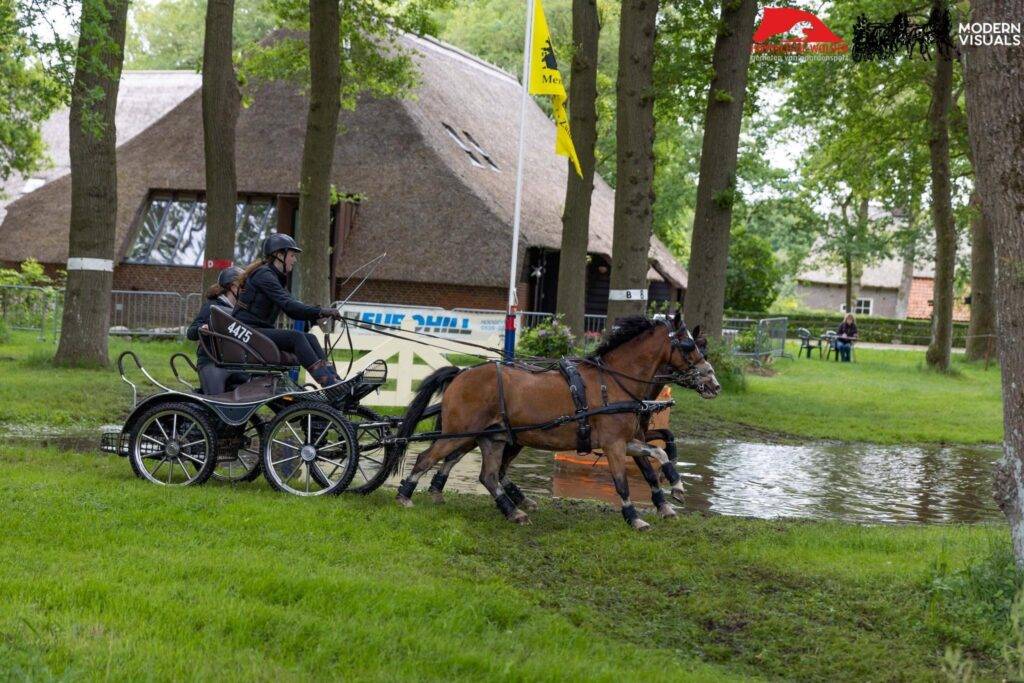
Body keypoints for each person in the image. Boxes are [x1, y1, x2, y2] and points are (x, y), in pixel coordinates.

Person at [232, 233, 343, 386]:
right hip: (246, 331)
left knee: (310, 338)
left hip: (256, 330)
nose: (295, 260)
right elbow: (289, 305)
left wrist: (317, 314)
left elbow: (291, 310)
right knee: (296, 337)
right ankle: (328, 383)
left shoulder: (273, 276)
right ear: (279, 255)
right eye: (292, 255)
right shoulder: (264, 275)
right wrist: (321, 311)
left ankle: (334, 379)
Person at [187, 265, 251, 394]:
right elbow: (191, 332)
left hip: (234, 364)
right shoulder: (212, 307)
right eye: (243, 286)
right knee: (216, 401)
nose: (247, 291)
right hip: (211, 362)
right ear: (233, 287)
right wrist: (202, 329)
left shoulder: (240, 310)